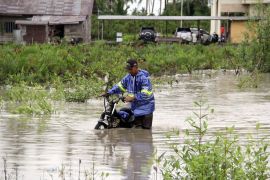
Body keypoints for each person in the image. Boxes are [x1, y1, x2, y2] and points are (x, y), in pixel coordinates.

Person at [102, 59, 155, 129]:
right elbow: (120, 86)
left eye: (130, 69)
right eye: (128, 69)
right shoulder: (128, 77)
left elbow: (146, 94)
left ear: (136, 67)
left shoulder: (144, 78)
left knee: (145, 132)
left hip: (146, 109)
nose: (129, 71)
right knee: (136, 131)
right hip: (136, 109)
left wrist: (133, 97)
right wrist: (109, 92)